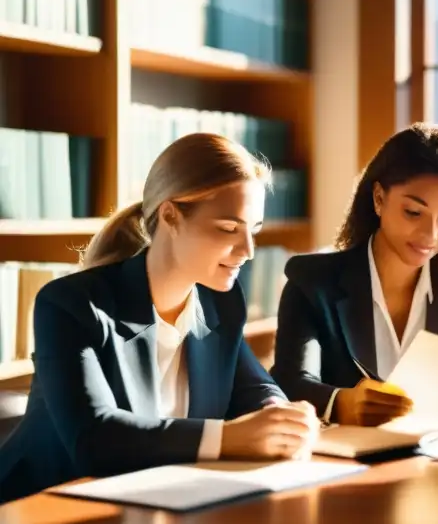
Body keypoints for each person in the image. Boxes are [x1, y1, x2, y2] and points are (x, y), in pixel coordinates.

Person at [0, 134, 320, 504]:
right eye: (229, 229)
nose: (248, 251)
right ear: (170, 216)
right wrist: (232, 437)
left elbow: (255, 386)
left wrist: (281, 418)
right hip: (37, 517)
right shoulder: (70, 305)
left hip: (153, 507)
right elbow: (95, 440)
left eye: (255, 230)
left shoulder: (220, 301)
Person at [271, 122, 438, 427]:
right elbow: (289, 382)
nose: (431, 234)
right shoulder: (312, 282)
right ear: (378, 198)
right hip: (345, 464)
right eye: (414, 213)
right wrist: (339, 403)